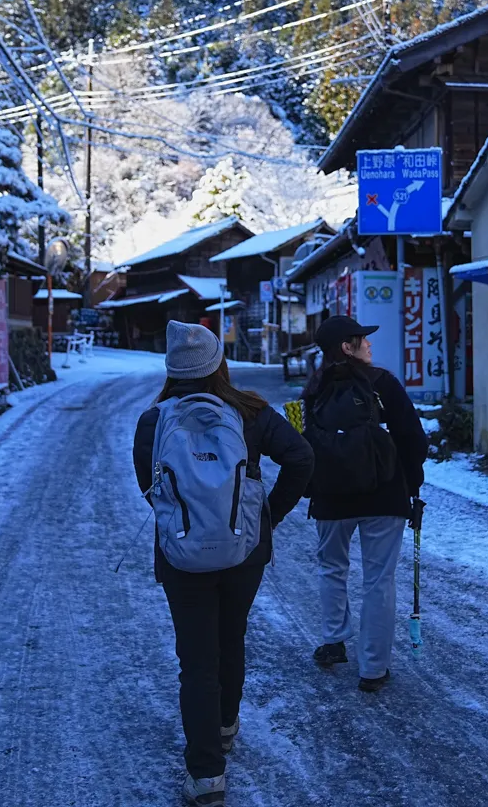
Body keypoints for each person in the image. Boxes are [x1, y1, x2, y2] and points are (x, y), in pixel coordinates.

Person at [133, 321, 314, 807]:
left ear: (172, 369)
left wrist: (185, 521)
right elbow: (301, 457)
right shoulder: (251, 411)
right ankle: (226, 725)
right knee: (231, 638)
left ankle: (207, 774)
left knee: (196, 660)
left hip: (181, 554)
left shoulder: (154, 420)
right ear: (219, 363)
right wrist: (266, 516)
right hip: (243, 549)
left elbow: (149, 487)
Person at [302, 315, 427, 693]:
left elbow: (303, 442)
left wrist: (312, 486)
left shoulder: (313, 389)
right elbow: (413, 439)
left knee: (331, 568)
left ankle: (334, 640)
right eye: (362, 339)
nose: (369, 344)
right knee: (378, 580)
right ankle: (373, 668)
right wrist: (411, 484)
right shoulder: (383, 383)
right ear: (346, 346)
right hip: (384, 495)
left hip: (331, 497)